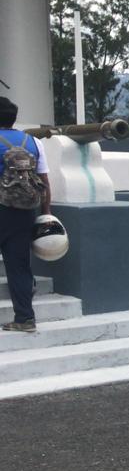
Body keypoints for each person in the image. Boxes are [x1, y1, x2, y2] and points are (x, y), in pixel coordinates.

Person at [0, 97, 53, 332]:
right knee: (19, 265)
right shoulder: (33, 142)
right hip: (23, 211)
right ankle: (25, 319)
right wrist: (46, 214)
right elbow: (45, 182)